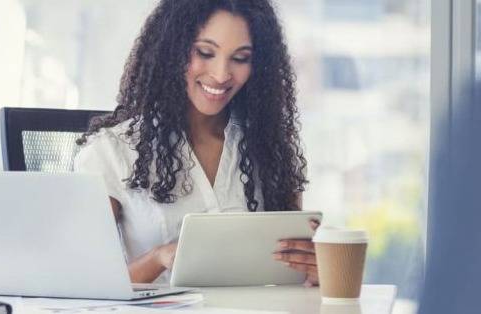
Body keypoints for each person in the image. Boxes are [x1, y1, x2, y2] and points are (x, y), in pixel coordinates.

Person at [74, 0, 318, 285]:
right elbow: (84, 285)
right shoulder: (112, 152)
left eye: (240, 58)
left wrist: (314, 270)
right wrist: (158, 258)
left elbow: (292, 270)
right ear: (172, 49)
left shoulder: (269, 147)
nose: (221, 74)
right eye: (205, 52)